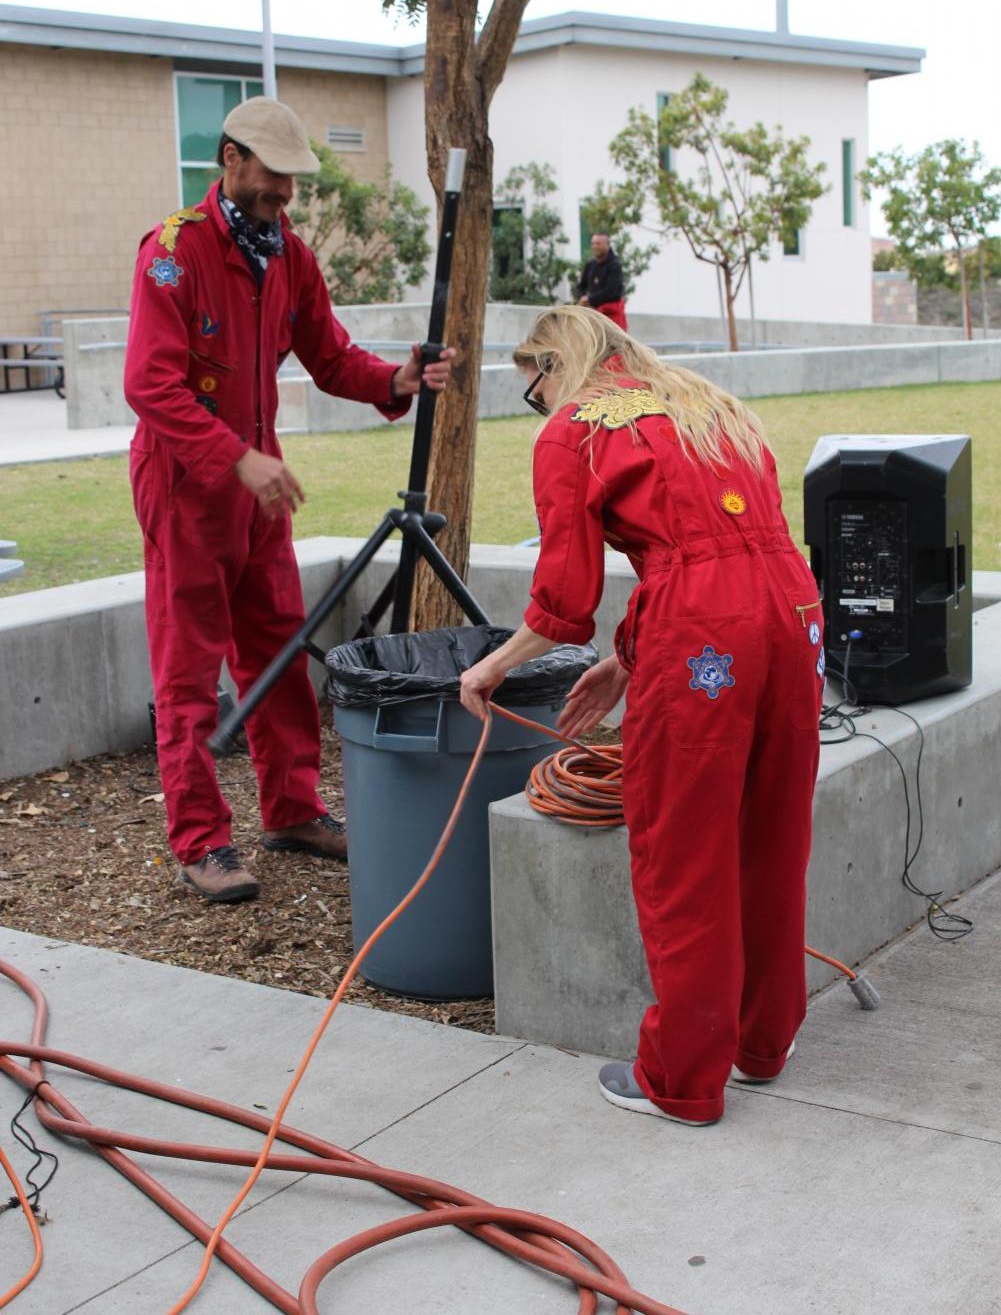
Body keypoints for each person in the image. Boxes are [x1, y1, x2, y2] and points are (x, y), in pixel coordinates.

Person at [459, 305, 822, 1126]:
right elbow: (728, 552)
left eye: (531, 390)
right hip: (793, 613)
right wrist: (628, 660)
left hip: (703, 629)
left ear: (551, 368)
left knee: (682, 844)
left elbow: (561, 602)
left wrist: (488, 667)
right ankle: (764, 1043)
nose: (537, 406)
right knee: (771, 831)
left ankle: (684, 1079)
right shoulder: (708, 405)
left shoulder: (575, 429)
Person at [124, 96, 454, 904]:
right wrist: (234, 458)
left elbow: (331, 355)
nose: (286, 196)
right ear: (230, 160)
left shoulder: (289, 257)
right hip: (186, 489)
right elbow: (149, 384)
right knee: (189, 670)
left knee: (277, 651)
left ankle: (292, 808)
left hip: (258, 491)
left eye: (293, 183)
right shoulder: (172, 253)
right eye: (274, 178)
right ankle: (202, 839)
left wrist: (395, 380)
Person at [576, 232, 627, 330]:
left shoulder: (615, 265)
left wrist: (589, 299)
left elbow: (611, 291)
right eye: (593, 243)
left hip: (612, 315)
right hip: (594, 313)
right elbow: (581, 286)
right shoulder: (590, 265)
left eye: (598, 243)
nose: (595, 246)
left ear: (607, 245)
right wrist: (582, 297)